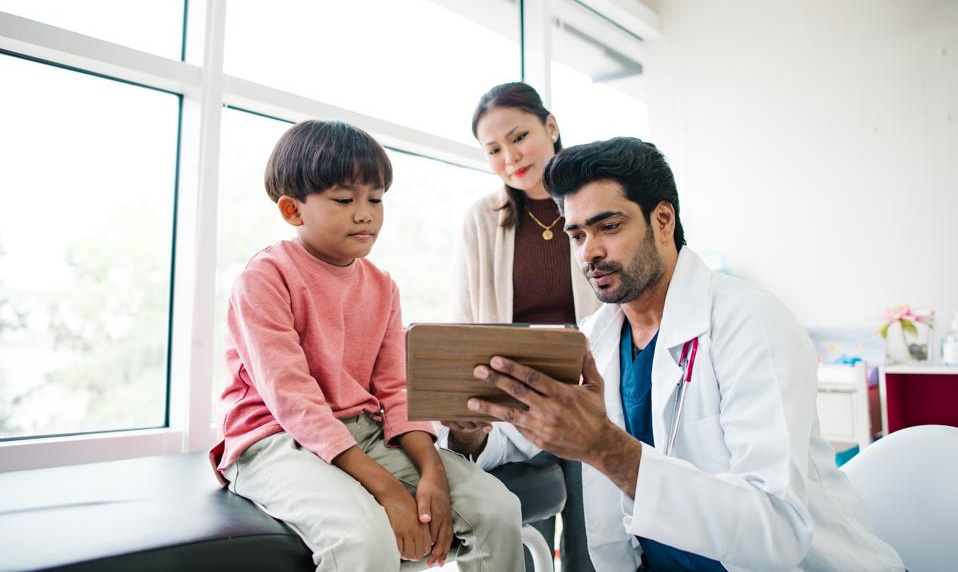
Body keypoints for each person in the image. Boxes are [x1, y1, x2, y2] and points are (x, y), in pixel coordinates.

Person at [450, 137, 904, 571]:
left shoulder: (751, 323)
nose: (590, 252)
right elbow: (513, 435)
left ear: (663, 220)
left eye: (609, 226)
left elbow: (778, 531)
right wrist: (470, 432)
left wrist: (607, 449)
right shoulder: (595, 338)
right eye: (577, 235)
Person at [209, 120, 523, 571]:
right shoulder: (265, 278)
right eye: (344, 200)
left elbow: (396, 390)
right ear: (292, 210)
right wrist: (390, 490)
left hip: (362, 430)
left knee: (497, 509)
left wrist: (432, 469)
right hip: (272, 439)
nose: (365, 214)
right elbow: (293, 400)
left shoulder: (382, 287)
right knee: (363, 537)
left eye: (375, 199)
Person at [445, 82, 600, 571]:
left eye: (519, 137)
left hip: (590, 392)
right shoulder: (481, 220)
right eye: (493, 149)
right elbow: (465, 323)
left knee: (593, 539)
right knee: (521, 544)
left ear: (550, 127)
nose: (509, 156)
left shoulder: (592, 207)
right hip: (514, 399)